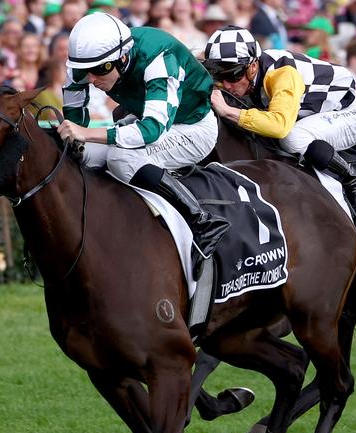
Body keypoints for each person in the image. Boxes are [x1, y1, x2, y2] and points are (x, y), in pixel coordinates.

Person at [57, 12, 229, 277]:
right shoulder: (86, 62)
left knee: (120, 159)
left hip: (193, 128)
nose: (91, 78)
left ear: (123, 58)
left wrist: (86, 133)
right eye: (85, 70)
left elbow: (151, 131)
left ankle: (201, 220)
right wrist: (76, 140)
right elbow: (74, 110)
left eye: (100, 69)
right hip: (144, 119)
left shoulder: (159, 59)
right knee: (85, 157)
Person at [204, 25, 356, 216]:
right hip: (313, 113)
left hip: (349, 112)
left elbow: (279, 126)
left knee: (292, 138)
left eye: (233, 75)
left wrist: (228, 111)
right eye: (220, 75)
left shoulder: (282, 74)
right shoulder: (245, 68)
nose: (226, 84)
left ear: (253, 67)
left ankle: (355, 184)